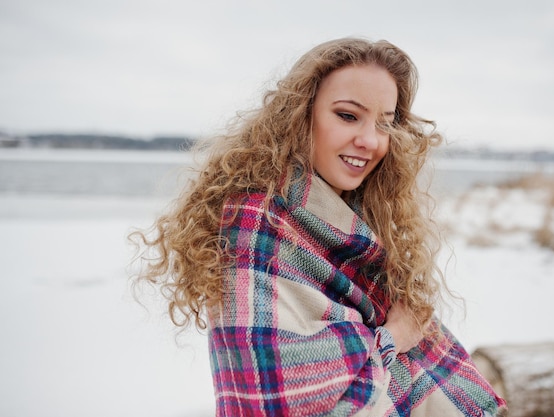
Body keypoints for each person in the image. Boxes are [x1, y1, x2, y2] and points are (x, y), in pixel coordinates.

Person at [131, 37, 506, 416]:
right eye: (347, 115)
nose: (370, 141)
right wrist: (394, 338)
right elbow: (287, 402)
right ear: (299, 115)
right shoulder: (258, 226)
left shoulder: (360, 221)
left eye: (384, 123)